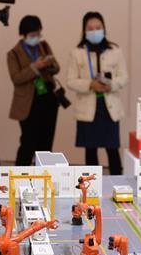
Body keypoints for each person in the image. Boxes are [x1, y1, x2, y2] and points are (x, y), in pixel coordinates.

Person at [66, 12, 128, 175]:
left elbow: (124, 77)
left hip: (109, 108)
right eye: (90, 28)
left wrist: (111, 85)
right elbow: (71, 80)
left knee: (113, 149)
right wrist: (90, 84)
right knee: (90, 150)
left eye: (98, 28)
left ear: (104, 29)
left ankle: (118, 184)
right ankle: (92, 187)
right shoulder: (77, 52)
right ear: (84, 31)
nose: (95, 31)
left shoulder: (115, 50)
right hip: (88, 109)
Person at [8, 15, 60, 166]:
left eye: (38, 34)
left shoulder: (44, 46)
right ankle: (20, 177)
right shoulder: (13, 54)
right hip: (28, 103)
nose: (36, 38)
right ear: (23, 35)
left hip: (48, 98)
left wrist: (48, 64)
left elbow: (57, 67)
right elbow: (16, 78)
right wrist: (34, 67)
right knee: (28, 142)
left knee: (46, 142)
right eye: (32, 35)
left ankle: (43, 177)